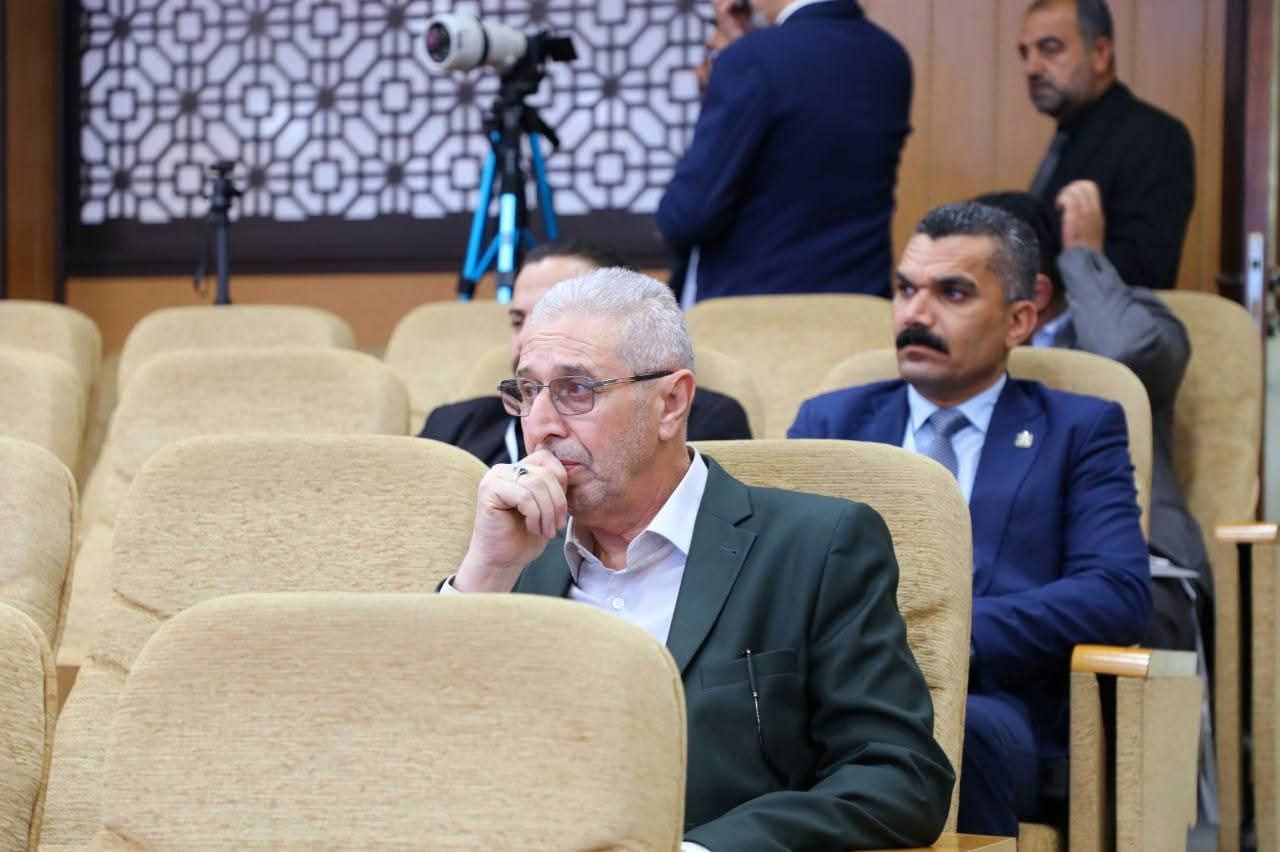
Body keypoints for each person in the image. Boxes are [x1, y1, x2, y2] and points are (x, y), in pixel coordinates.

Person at [441, 268, 954, 849]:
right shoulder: (512, 557)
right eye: (529, 391)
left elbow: (899, 778)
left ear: (671, 403)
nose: (539, 425)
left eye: (576, 390)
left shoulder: (817, 546)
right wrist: (487, 573)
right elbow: (417, 758)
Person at [789, 202, 1152, 835]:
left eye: (951, 293)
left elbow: (1116, 592)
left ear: (1019, 320)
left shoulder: (1078, 429)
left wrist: (950, 635)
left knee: (952, 732)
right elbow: (779, 568)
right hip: (833, 687)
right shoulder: (831, 422)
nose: (917, 314)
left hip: (988, 697)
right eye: (906, 290)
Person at [976, 184, 1209, 653]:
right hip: (1001, 573)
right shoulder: (949, 350)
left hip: (1136, 566)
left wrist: (1083, 257)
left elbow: (1127, 353)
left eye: (962, 287)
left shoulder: (1135, 320)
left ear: (1036, 294)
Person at [656, 0, 912, 303]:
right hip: (860, 302)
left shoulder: (752, 59)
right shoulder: (890, 56)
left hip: (757, 311)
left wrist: (739, 57)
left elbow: (687, 216)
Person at [419, 240, 752, 465]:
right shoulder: (452, 428)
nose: (530, 339)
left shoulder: (696, 418)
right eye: (520, 321)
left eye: (555, 314)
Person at [1019, 0, 1195, 291]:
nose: (1031, 67)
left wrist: (1086, 255)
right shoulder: (1071, 132)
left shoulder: (1155, 136)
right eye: (1025, 53)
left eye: (1049, 48)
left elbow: (1147, 275)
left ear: (1100, 54)